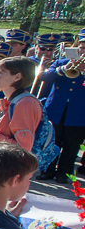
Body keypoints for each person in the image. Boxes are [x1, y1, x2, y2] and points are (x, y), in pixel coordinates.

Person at [40, 37, 85, 182]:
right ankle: (47, 170)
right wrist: (64, 69)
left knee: (71, 145)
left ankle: (63, 173)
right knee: (52, 142)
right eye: (82, 48)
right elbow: (44, 77)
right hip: (55, 110)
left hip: (78, 113)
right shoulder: (61, 63)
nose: (83, 51)